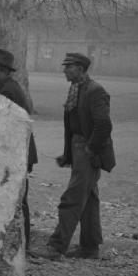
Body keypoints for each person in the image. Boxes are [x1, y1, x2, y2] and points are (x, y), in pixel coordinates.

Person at [35, 53, 115, 261]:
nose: (64, 70)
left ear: (80, 68)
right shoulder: (76, 89)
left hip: (89, 151)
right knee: (89, 199)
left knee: (72, 198)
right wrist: (69, 154)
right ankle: (89, 248)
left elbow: (103, 125)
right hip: (79, 148)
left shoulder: (95, 91)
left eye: (68, 66)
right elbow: (75, 126)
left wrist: (90, 149)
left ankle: (56, 247)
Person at [0, 48, 38, 250]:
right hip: (16, 151)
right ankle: (18, 243)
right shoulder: (4, 87)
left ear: (6, 72)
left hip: (17, 152)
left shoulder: (7, 90)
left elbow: (3, 125)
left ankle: (22, 245)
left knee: (17, 200)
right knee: (16, 198)